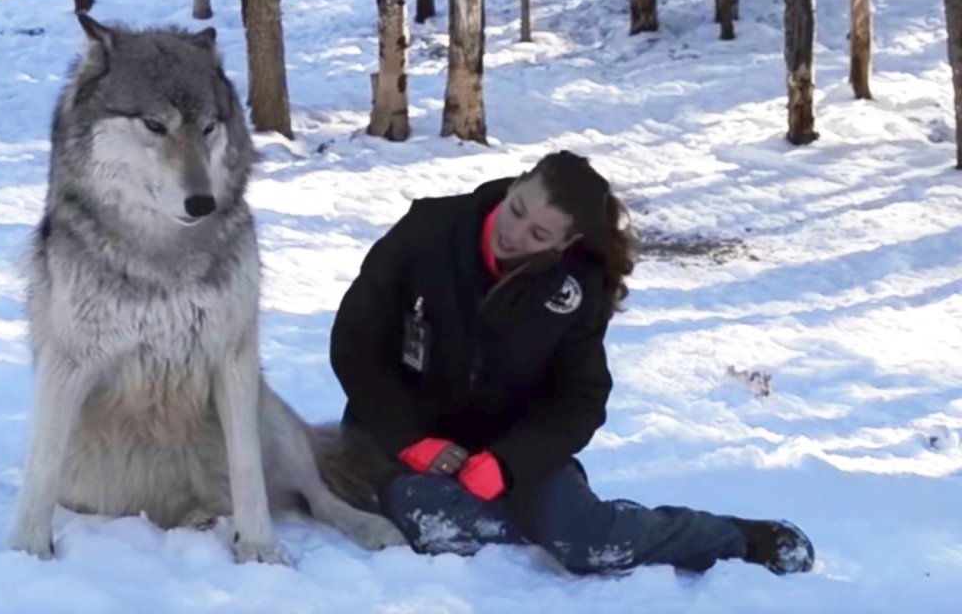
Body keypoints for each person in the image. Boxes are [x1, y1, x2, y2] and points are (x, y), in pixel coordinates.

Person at [328, 151, 814, 576]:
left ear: (565, 242)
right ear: (517, 184)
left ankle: (735, 538)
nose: (513, 233)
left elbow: (580, 400)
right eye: (516, 210)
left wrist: (510, 464)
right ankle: (551, 522)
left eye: (538, 233)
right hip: (403, 438)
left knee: (588, 543)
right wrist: (410, 440)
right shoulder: (428, 232)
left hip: (510, 445)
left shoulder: (577, 288)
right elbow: (355, 344)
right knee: (431, 521)